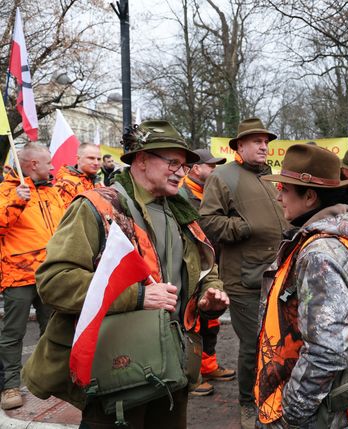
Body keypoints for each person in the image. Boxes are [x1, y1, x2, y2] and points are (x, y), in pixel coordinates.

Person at [22, 120, 229, 428]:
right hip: (118, 369)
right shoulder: (96, 207)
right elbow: (55, 282)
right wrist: (138, 296)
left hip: (173, 365)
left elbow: (201, 269)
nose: (181, 171)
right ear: (141, 160)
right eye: (173, 162)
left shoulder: (180, 212)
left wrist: (209, 293)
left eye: (184, 165)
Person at [255, 143, 348, 429]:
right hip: (339, 399)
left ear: (310, 197)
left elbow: (327, 350)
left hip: (327, 411)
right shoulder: (338, 234)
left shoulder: (320, 254)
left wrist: (293, 410)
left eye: (285, 189)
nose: (279, 196)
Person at [199, 117, 289, 428]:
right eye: (256, 141)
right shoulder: (223, 176)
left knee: (279, 340)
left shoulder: (271, 177)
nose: (264, 146)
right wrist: (243, 227)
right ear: (239, 146)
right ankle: (247, 403)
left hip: (277, 275)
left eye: (266, 141)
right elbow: (207, 220)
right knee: (253, 343)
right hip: (244, 279)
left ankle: (272, 394)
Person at [0, 143, 65, 410]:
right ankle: (10, 386)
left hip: (50, 271)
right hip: (18, 274)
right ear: (33, 164)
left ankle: (49, 379)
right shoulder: (6, 190)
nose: (53, 167)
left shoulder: (51, 192)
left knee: (53, 328)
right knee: (13, 333)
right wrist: (16, 199)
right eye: (48, 162)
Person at [179, 148, 234, 397]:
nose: (215, 170)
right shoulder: (183, 195)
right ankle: (191, 376)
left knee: (211, 322)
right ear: (195, 168)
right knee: (192, 323)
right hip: (195, 267)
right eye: (210, 166)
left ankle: (208, 366)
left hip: (213, 266)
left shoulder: (211, 193)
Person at [55, 143, 103, 207]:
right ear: (78, 159)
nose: (96, 163)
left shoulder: (98, 183)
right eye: (91, 158)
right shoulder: (65, 184)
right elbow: (65, 215)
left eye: (99, 159)